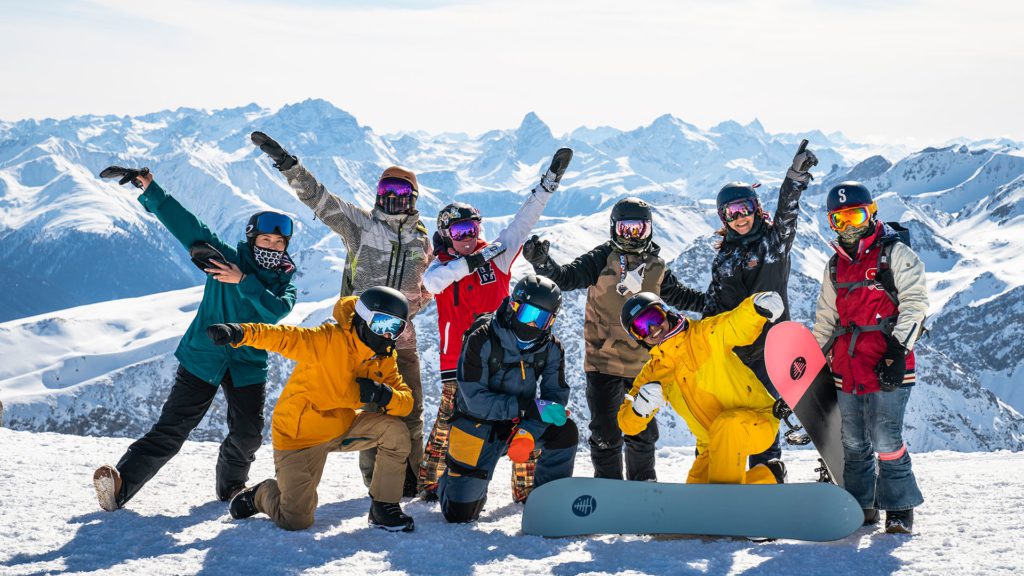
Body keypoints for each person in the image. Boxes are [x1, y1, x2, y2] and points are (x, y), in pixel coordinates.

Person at [92, 166, 297, 512]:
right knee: (173, 429)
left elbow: (276, 311)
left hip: (248, 363)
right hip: (203, 356)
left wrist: (242, 281)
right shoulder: (225, 259)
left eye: (279, 242)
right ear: (252, 240)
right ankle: (120, 485)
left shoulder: (283, 280)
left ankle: (231, 486)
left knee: (248, 435)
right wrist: (151, 189)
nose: (273, 247)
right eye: (266, 240)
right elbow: (190, 228)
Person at [250, 132, 430, 497]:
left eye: (400, 196)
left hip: (401, 342)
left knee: (410, 414)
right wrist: (288, 165)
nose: (391, 201)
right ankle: (360, 479)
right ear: (378, 196)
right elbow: (321, 200)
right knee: (351, 411)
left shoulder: (422, 242)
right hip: (354, 343)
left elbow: (429, 288)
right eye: (385, 194)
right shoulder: (361, 226)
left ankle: (410, 484)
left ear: (412, 201)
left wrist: (410, 310)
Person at [419, 148, 572, 502]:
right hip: (458, 362)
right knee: (450, 423)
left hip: (507, 357)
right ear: (445, 235)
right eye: (458, 230)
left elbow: (523, 223)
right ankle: (430, 482)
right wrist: (472, 261)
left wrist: (546, 188)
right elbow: (432, 286)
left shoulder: (496, 256)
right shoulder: (440, 266)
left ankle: (527, 491)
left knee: (522, 420)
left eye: (472, 228)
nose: (468, 236)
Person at [522, 197, 705, 481]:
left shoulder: (656, 266)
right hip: (603, 362)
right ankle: (609, 488)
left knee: (643, 432)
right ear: (613, 229)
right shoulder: (601, 259)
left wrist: (716, 304)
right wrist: (543, 263)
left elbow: (681, 296)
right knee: (606, 432)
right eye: (625, 229)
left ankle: (642, 486)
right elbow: (566, 278)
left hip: (644, 364)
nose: (631, 236)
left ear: (650, 230)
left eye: (639, 230)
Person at [216, 286, 417, 532]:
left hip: (342, 426)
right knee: (295, 519)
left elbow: (406, 402)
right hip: (300, 435)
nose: (387, 335)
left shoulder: (383, 358)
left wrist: (384, 394)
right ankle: (260, 494)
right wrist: (239, 332)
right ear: (364, 319)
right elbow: (282, 337)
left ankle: (384, 508)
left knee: (395, 431)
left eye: (395, 327)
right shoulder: (327, 340)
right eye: (381, 324)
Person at [811, 181, 928, 534]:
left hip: (888, 361)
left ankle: (899, 506)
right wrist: (810, 365)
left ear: (872, 212)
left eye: (856, 216)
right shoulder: (834, 267)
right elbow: (826, 321)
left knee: (885, 437)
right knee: (853, 440)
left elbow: (916, 305)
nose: (849, 227)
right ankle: (860, 505)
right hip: (846, 366)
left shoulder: (895, 254)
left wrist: (896, 351)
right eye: (839, 220)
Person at [703, 141, 818, 467]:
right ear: (723, 217)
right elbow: (714, 302)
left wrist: (794, 177)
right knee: (737, 419)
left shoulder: (773, 242)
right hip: (736, 353)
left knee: (765, 419)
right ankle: (735, 479)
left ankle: (769, 472)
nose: (740, 218)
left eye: (745, 209)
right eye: (731, 213)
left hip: (771, 348)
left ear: (756, 208)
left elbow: (787, 211)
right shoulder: (723, 257)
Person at [438, 274, 578, 522]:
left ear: (551, 321)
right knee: (459, 515)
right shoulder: (481, 338)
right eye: (527, 315)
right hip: (476, 425)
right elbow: (475, 400)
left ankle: (549, 501)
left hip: (517, 423)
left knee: (564, 429)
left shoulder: (551, 348)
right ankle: (451, 482)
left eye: (541, 319)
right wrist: (527, 408)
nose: (533, 325)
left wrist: (527, 431)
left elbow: (554, 399)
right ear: (513, 307)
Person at [617, 291, 787, 485]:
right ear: (639, 338)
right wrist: (638, 410)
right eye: (641, 328)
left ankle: (726, 508)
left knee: (726, 428)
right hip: (711, 443)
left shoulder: (704, 334)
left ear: (665, 311)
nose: (653, 328)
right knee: (696, 499)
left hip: (757, 421)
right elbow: (627, 424)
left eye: (653, 317)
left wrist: (756, 306)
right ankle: (769, 477)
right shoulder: (654, 373)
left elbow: (735, 324)